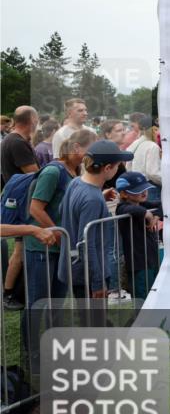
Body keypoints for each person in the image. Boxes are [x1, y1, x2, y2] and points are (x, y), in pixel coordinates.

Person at [23, 128, 96, 307]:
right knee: (37, 304)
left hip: (61, 247)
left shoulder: (76, 172)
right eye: (92, 150)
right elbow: (35, 209)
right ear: (77, 148)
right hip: (42, 248)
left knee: (57, 303)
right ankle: (31, 336)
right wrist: (59, 236)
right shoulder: (53, 172)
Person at [58, 140, 133, 298]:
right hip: (89, 275)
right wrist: (98, 282)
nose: (119, 168)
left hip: (74, 268)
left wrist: (98, 198)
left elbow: (62, 209)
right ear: (107, 168)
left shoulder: (76, 182)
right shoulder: (92, 199)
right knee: (93, 322)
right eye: (118, 164)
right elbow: (85, 244)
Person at [1, 106, 39, 310]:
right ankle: (8, 294)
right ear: (31, 120)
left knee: (21, 249)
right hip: (22, 203)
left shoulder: (14, 140)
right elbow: (34, 173)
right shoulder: (16, 142)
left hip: (21, 200)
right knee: (20, 250)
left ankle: (14, 292)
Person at [114, 171, 161, 299]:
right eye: (138, 190)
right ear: (123, 194)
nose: (144, 192)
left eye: (145, 189)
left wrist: (156, 215)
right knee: (142, 297)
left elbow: (162, 205)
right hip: (138, 263)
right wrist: (147, 214)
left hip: (151, 258)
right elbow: (129, 209)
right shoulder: (122, 208)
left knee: (155, 294)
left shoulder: (143, 204)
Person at [126, 115, 162, 210]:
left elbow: (128, 165)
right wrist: (166, 182)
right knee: (153, 217)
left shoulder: (135, 143)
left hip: (137, 187)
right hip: (151, 188)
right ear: (154, 129)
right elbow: (152, 173)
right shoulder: (153, 146)